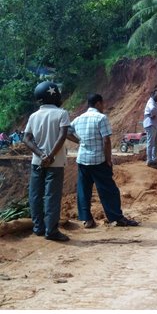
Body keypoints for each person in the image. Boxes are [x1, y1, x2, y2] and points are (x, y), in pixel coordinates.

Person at [69, 94, 139, 228]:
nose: (103, 107)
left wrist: (79, 141)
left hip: (82, 159)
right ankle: (116, 218)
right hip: (98, 160)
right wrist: (108, 159)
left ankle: (87, 220)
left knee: (83, 190)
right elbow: (106, 140)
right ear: (98, 103)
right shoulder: (101, 118)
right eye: (102, 104)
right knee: (109, 190)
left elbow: (66, 132)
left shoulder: (79, 119)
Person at [23, 81, 71, 241]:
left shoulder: (33, 116)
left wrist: (41, 155)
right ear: (55, 96)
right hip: (55, 163)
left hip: (37, 162)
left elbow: (26, 138)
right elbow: (62, 135)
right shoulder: (62, 113)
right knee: (52, 196)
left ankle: (38, 228)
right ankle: (51, 231)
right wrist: (50, 156)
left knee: (35, 195)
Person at [143, 88, 157, 167]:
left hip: (154, 125)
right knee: (151, 142)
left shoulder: (155, 102)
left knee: (156, 142)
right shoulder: (151, 102)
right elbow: (152, 109)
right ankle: (149, 160)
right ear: (153, 95)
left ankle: (154, 159)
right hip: (151, 124)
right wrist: (152, 115)